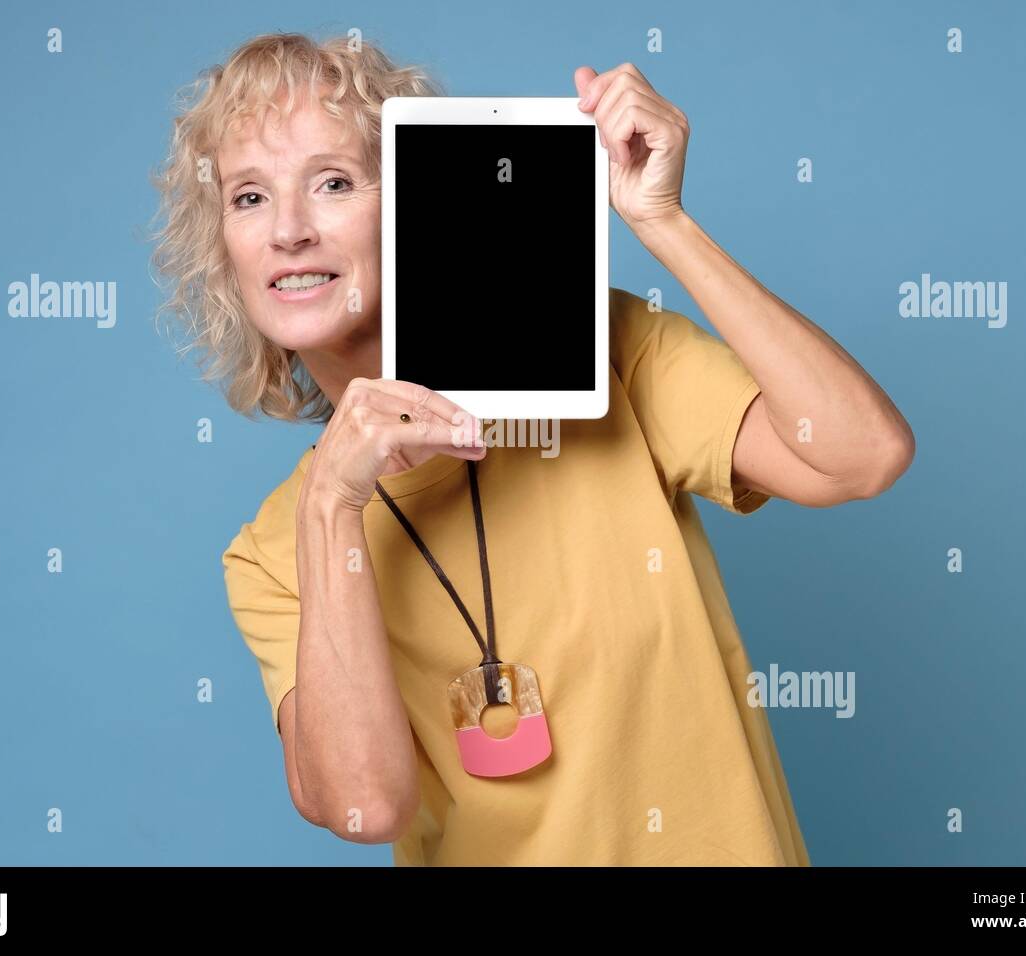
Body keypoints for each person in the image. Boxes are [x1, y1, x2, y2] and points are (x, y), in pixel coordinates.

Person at [150, 32, 915, 866]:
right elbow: (366, 807)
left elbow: (862, 455)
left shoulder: (606, 358)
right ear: (225, 246)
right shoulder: (273, 552)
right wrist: (333, 504)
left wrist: (661, 222)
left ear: (421, 202)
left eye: (332, 182)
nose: (289, 230)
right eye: (249, 198)